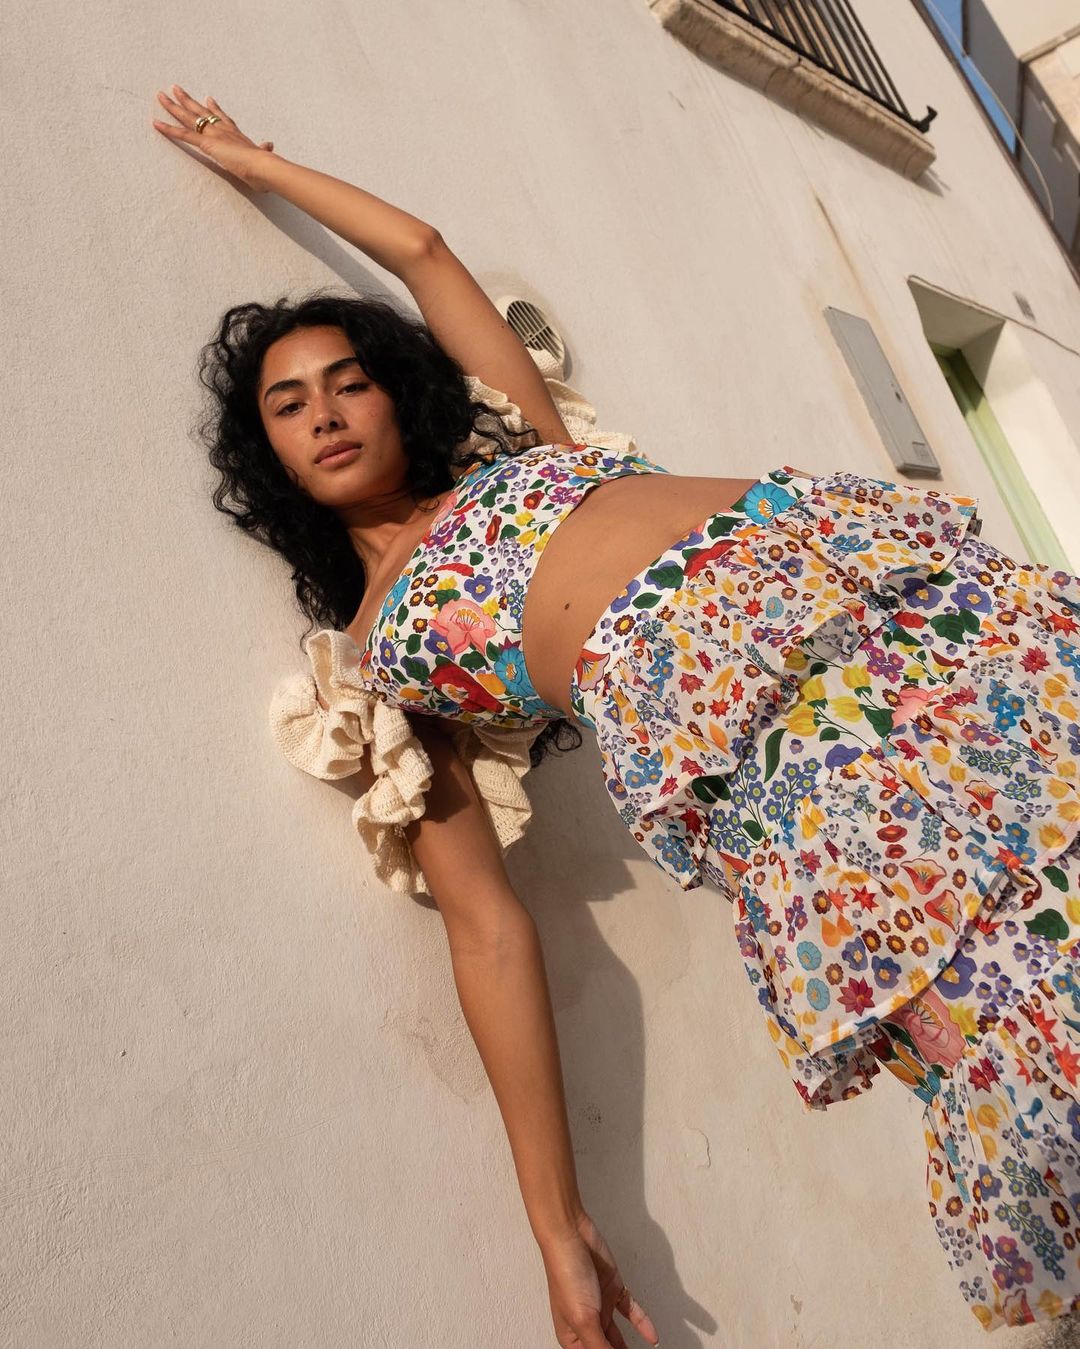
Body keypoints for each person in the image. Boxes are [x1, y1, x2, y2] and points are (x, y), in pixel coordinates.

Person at [155, 86, 1080, 1339]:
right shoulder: (374, 660)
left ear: (395, 396)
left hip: (889, 614)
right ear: (268, 452)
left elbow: (422, 250)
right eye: (287, 402)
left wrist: (257, 163)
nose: (323, 411)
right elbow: (487, 930)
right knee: (1021, 995)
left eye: (348, 381)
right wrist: (559, 1224)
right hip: (790, 764)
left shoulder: (516, 440)